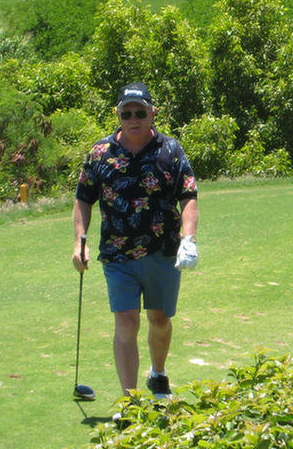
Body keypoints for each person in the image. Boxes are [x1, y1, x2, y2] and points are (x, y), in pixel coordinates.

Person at [72, 81, 199, 407]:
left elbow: (188, 195)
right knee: (126, 321)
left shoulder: (170, 150)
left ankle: (158, 372)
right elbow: (84, 198)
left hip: (163, 251)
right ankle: (130, 399)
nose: (133, 119)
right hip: (117, 253)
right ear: (118, 114)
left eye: (140, 112)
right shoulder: (100, 153)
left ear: (152, 113)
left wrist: (189, 239)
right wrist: (80, 241)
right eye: (126, 113)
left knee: (160, 320)